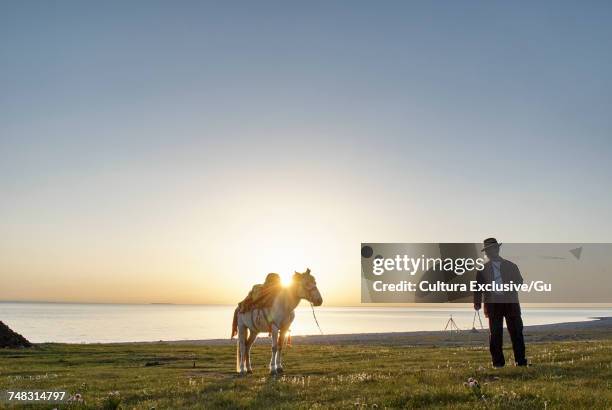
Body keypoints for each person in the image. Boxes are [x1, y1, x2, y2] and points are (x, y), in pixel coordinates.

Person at [474, 238, 528, 367]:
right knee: (495, 335)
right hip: (493, 305)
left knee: (516, 333)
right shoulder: (482, 269)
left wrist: (509, 288)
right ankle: (498, 364)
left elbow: (519, 281)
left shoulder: (511, 266)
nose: (487, 253)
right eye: (486, 251)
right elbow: (477, 287)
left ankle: (521, 362)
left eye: (489, 250)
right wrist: (477, 303)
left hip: (510, 303)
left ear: (496, 249)